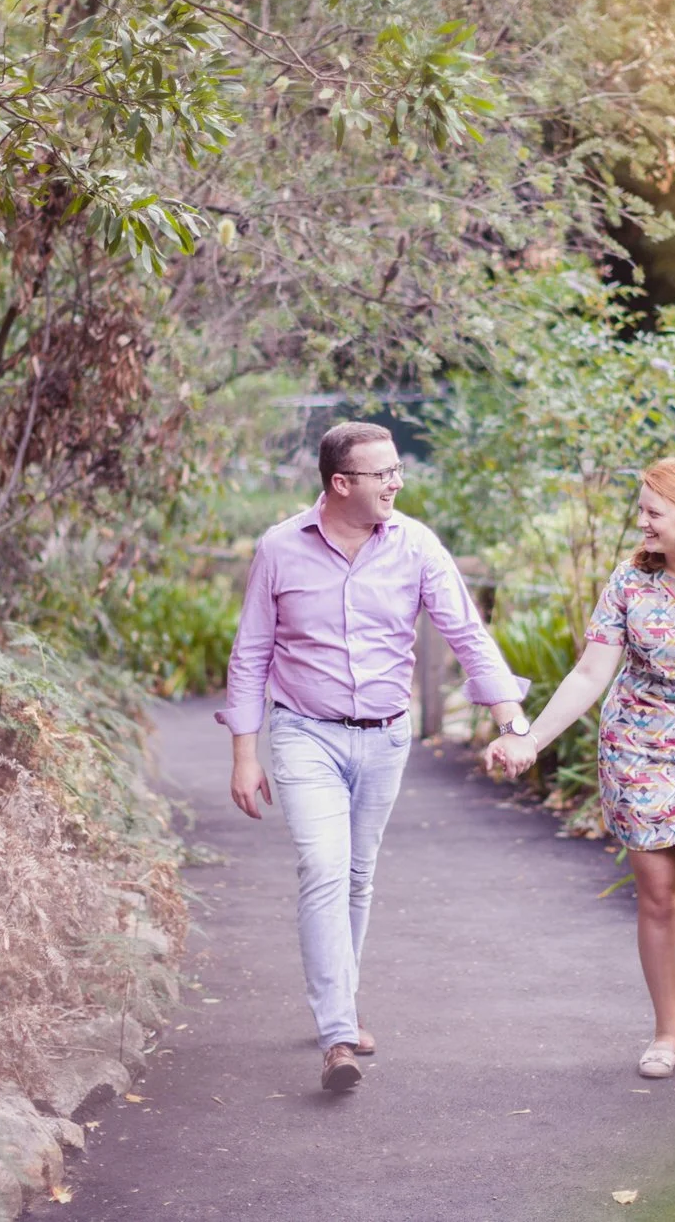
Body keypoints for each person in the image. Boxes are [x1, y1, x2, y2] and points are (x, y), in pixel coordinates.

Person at [220, 422, 529, 1092]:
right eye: (383, 473)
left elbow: (467, 634)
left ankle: (343, 1001)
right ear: (340, 483)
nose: (396, 482)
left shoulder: (416, 545)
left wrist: (512, 721)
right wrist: (245, 752)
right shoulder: (279, 548)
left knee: (358, 875)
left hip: (386, 737)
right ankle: (337, 1035)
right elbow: (250, 653)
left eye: (397, 470)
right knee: (323, 869)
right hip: (305, 733)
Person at [486, 458, 675, 1082]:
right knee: (659, 898)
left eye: (654, 512)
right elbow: (590, 674)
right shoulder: (630, 581)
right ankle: (666, 1032)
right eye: (642, 511)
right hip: (639, 750)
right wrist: (531, 740)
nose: (642, 523)